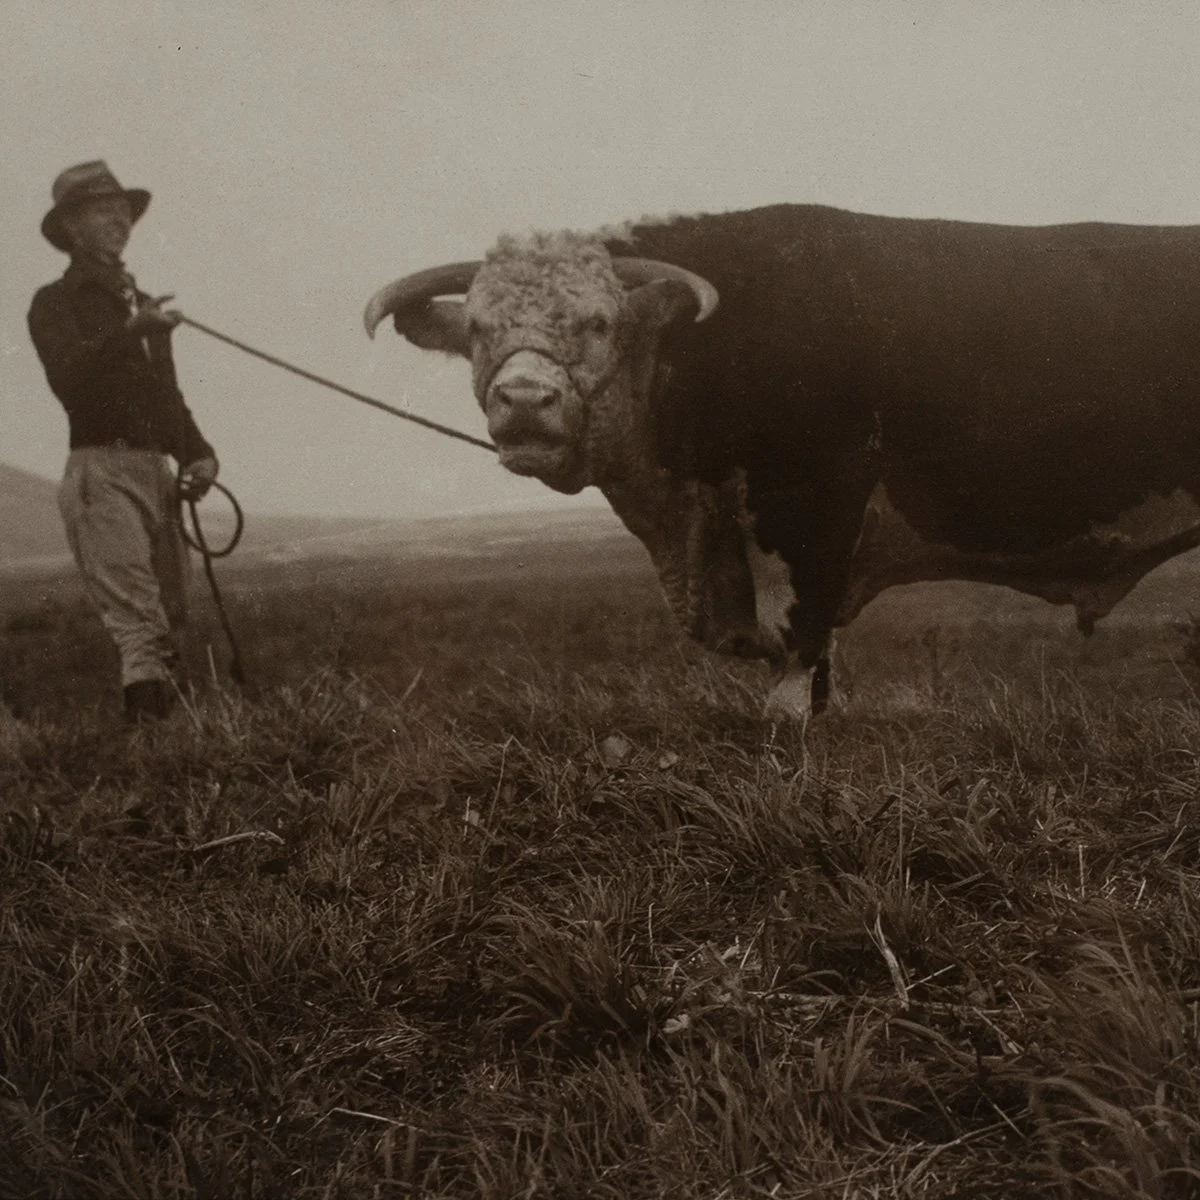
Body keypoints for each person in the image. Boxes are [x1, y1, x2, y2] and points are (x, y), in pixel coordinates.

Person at [27, 161, 219, 721]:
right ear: (70, 228)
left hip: (155, 472)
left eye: (123, 210)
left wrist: (199, 454)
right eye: (101, 209)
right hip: (99, 475)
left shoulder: (144, 304)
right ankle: (150, 761)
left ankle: (174, 756)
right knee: (139, 622)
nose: (119, 219)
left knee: (174, 615)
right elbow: (68, 381)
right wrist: (129, 334)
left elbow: (167, 396)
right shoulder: (52, 303)